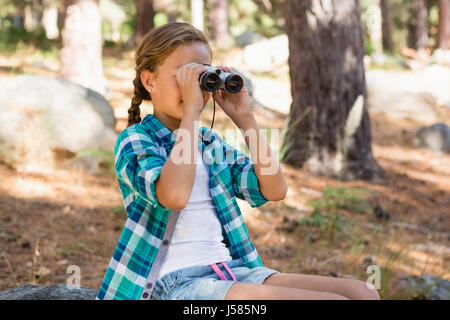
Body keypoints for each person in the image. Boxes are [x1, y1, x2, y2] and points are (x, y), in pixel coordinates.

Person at [96, 22, 380, 300]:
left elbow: (274, 190)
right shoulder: (136, 141)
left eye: (202, 77)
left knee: (362, 292)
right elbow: (174, 195)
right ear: (149, 81)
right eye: (184, 76)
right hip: (170, 284)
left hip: (229, 272)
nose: (194, 88)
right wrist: (191, 111)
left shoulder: (208, 143)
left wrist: (245, 118)